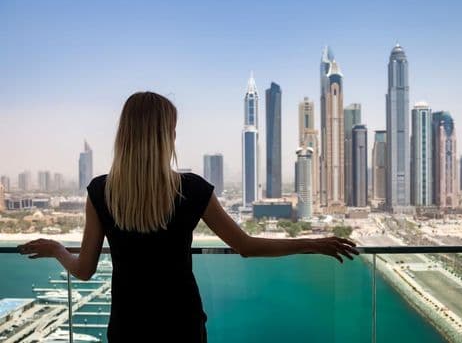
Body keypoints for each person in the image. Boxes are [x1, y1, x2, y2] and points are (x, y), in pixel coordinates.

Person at [18, 91, 359, 342]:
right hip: (183, 325)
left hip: (128, 328)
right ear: (165, 136)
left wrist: (56, 250)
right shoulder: (192, 189)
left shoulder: (100, 191)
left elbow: (85, 270)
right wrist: (311, 244)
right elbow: (245, 246)